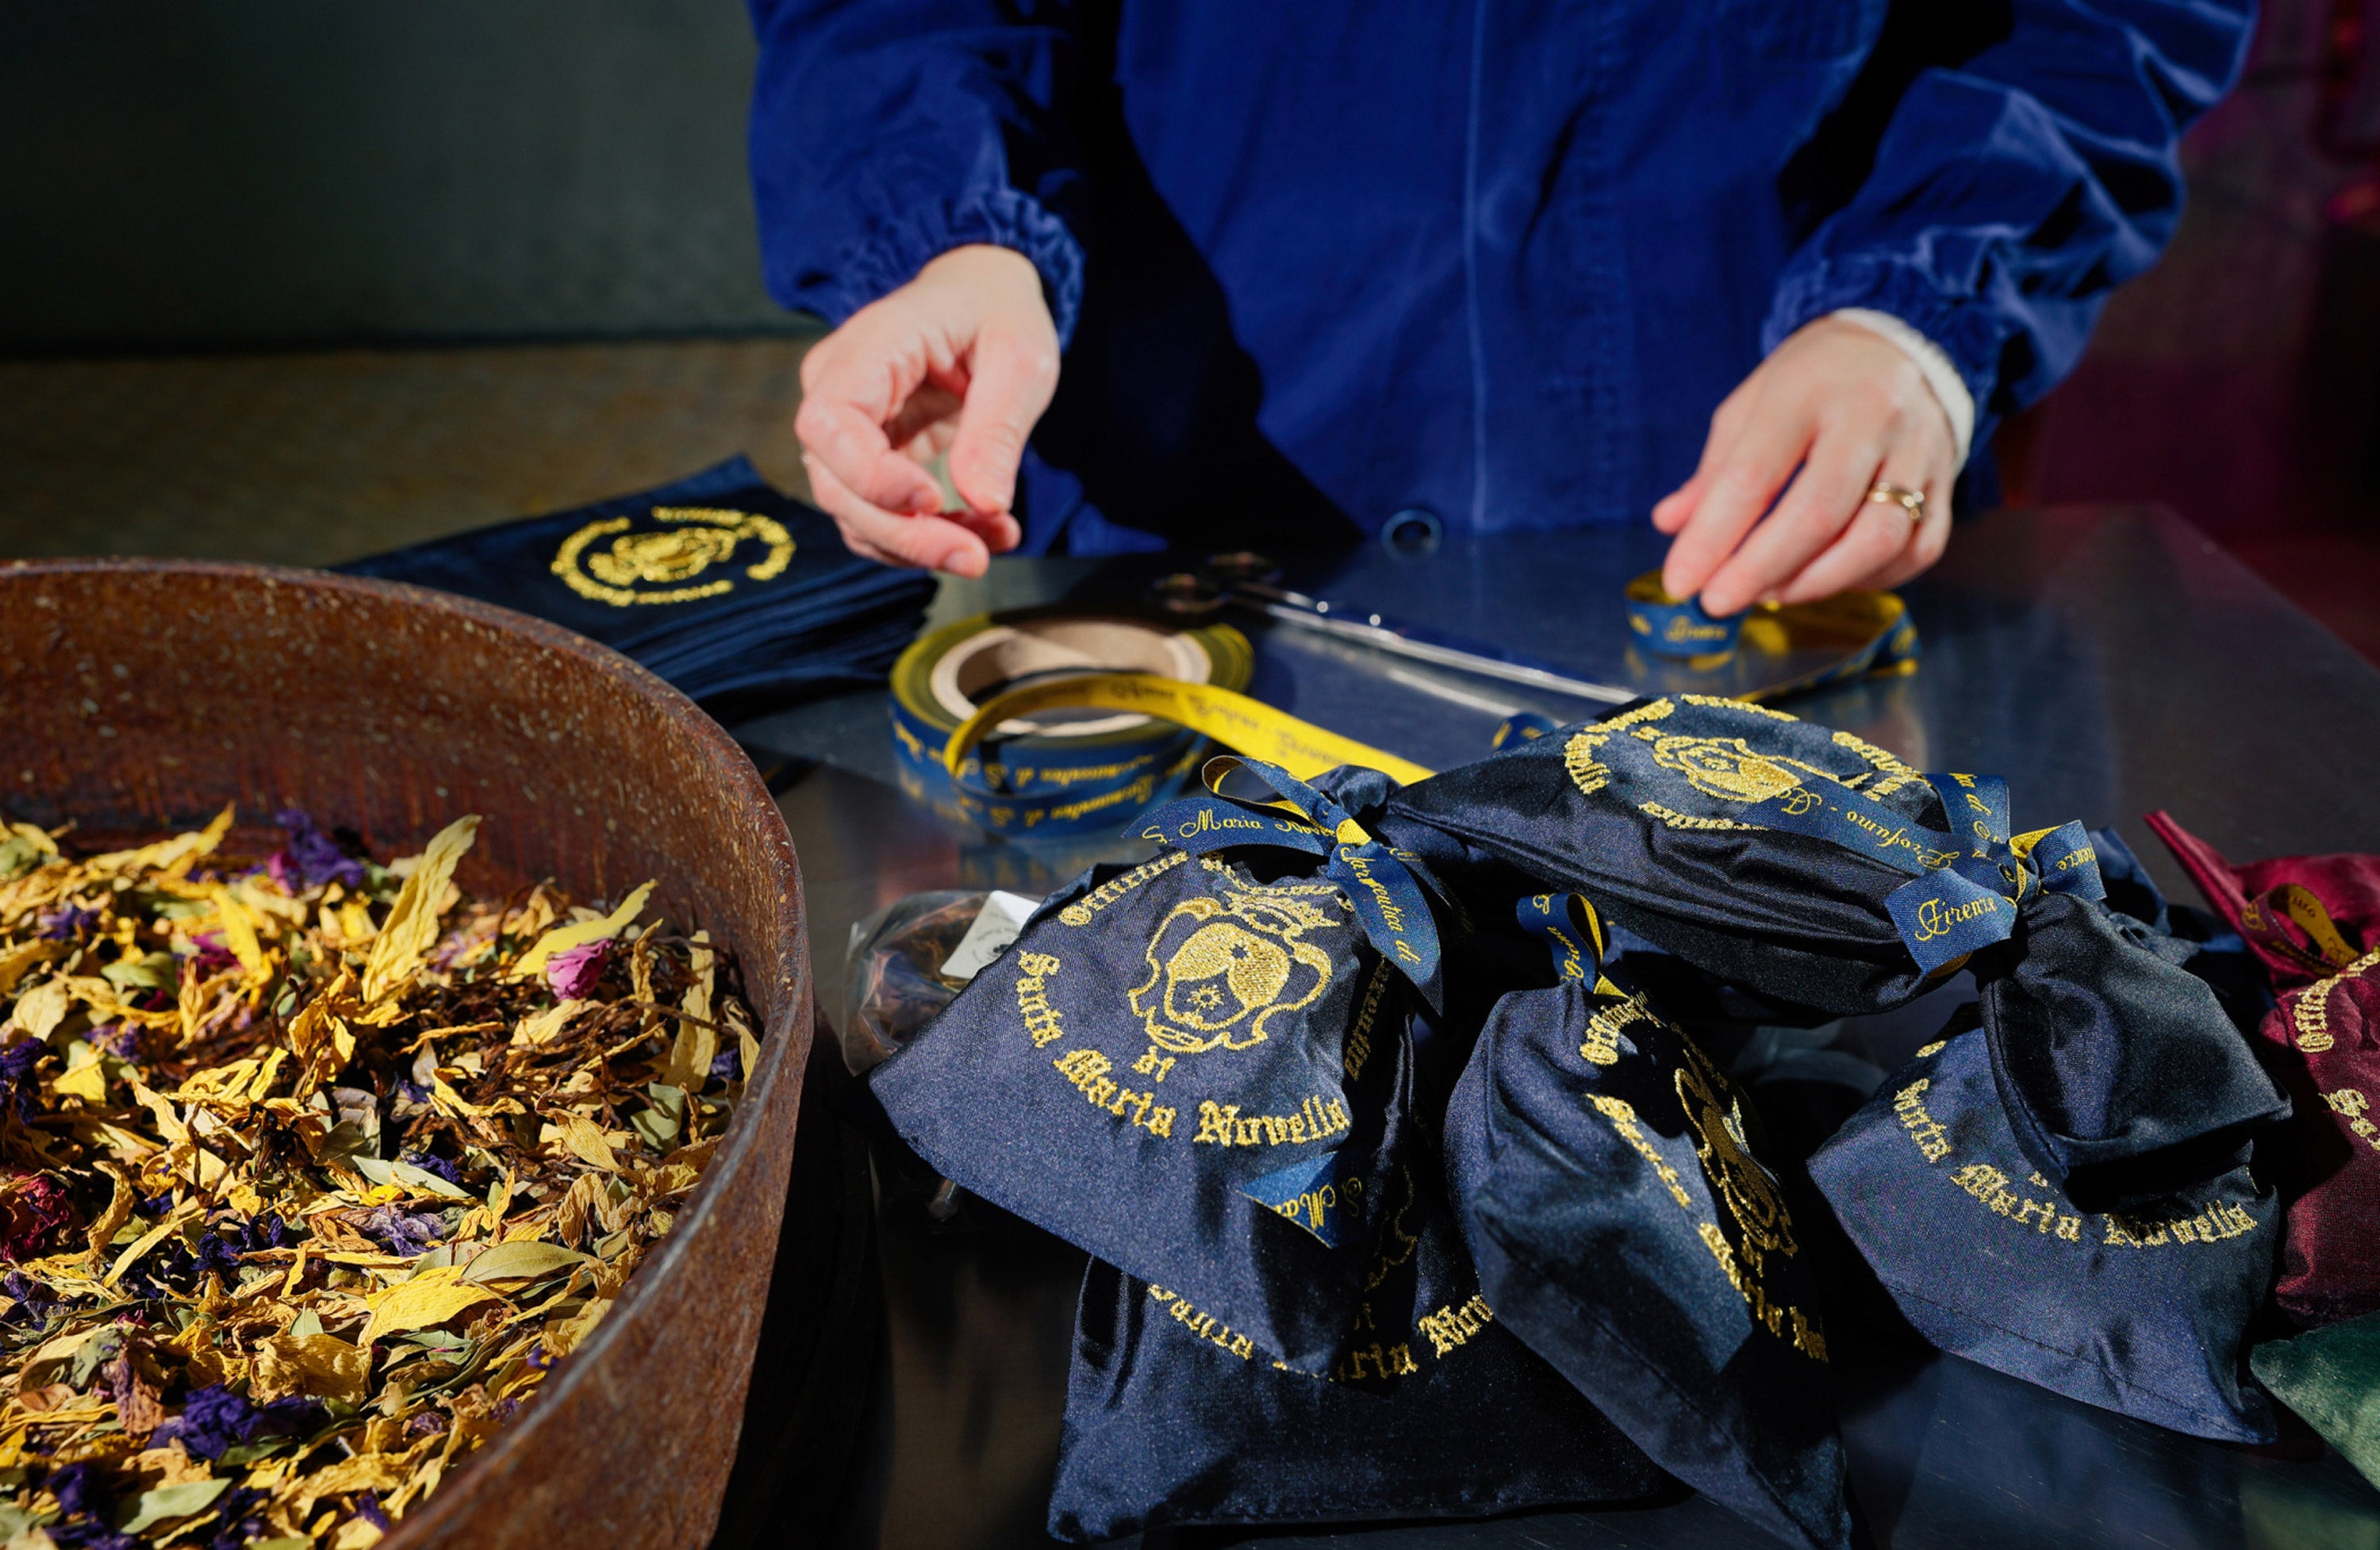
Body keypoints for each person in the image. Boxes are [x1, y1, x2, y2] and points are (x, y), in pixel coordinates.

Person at [745, 2, 2252, 617]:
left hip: (1770, 558)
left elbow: (2105, 18)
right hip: (1177, 566)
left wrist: (1920, 311)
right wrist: (951, 236)